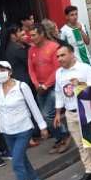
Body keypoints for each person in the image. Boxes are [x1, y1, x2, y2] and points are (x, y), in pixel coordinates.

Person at [54, 44, 91, 180]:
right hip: (70, 112)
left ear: (72, 54)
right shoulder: (59, 73)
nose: (59, 59)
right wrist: (58, 113)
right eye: (58, 56)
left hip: (85, 109)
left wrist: (81, 83)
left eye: (62, 55)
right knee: (80, 144)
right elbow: (59, 93)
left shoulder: (84, 68)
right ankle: (90, 169)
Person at [27, 24, 71, 153]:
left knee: (47, 115)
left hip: (53, 87)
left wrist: (46, 85)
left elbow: (57, 68)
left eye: (34, 35)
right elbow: (31, 69)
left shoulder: (53, 47)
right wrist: (36, 84)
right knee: (44, 116)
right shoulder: (31, 50)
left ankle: (65, 134)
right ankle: (59, 138)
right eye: (30, 35)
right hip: (40, 87)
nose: (31, 38)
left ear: (41, 34)